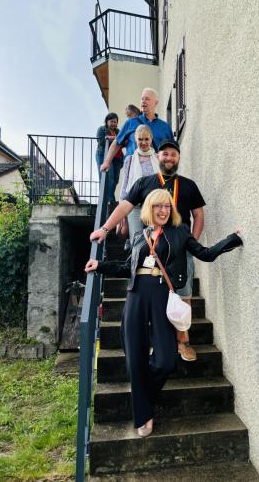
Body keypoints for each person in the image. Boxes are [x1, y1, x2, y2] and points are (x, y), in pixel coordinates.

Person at [85, 189, 243, 438]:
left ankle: (142, 398)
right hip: (136, 295)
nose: (163, 210)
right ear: (149, 208)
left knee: (166, 361)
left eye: (167, 207)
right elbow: (129, 268)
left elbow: (205, 254)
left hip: (162, 296)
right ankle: (143, 415)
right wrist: (100, 265)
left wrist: (231, 240)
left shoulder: (180, 232)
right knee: (135, 358)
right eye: (158, 206)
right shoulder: (140, 235)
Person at [90, 140, 205, 362]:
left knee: (183, 294)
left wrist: (191, 244)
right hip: (151, 251)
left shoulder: (189, 185)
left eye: (173, 154)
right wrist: (105, 229)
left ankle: (183, 342)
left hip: (179, 251)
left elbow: (198, 215)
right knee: (151, 298)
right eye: (165, 154)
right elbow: (124, 205)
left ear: (178, 158)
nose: (169, 158)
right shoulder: (144, 183)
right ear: (157, 157)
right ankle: (157, 342)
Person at [100, 87, 174, 170]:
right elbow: (117, 143)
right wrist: (107, 162)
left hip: (156, 171)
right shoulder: (131, 122)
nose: (143, 101)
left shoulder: (165, 127)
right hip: (133, 169)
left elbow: (172, 151)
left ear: (155, 103)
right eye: (142, 99)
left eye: (147, 99)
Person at [120, 124, 159, 244]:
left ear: (151, 139)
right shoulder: (129, 160)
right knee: (136, 241)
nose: (143, 142)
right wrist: (122, 215)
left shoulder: (159, 158)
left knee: (155, 241)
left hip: (155, 205)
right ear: (135, 140)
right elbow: (124, 187)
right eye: (140, 139)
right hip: (134, 206)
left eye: (146, 139)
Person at [95, 112, 121, 203]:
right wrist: (114, 139)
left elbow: (123, 141)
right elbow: (101, 141)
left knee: (115, 180)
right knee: (108, 178)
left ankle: (110, 197)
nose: (114, 123)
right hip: (104, 155)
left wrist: (111, 138)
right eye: (112, 121)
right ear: (107, 121)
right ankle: (110, 200)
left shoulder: (118, 131)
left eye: (115, 122)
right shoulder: (102, 129)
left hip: (117, 157)